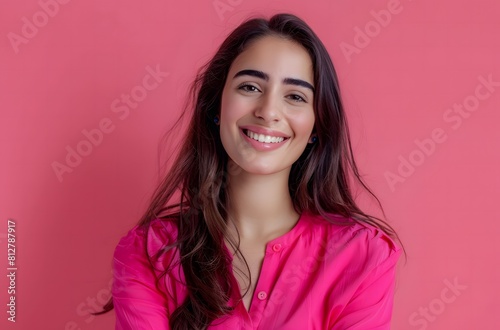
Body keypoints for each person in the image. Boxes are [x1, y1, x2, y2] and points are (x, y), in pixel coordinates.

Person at [106, 13, 404, 329]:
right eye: (250, 87)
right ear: (216, 106)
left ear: (317, 125)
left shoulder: (364, 256)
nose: (268, 111)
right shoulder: (148, 253)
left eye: (295, 96)